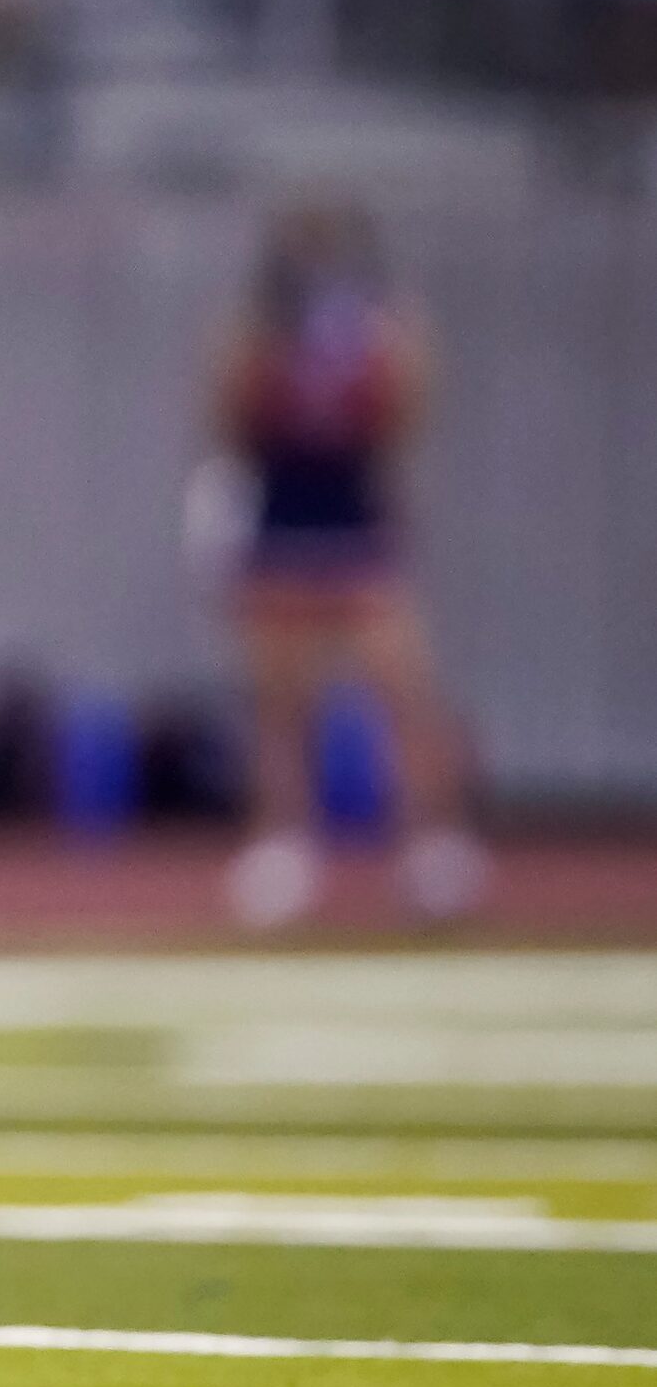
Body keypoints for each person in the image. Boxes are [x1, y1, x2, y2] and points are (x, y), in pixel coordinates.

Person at [216, 201, 485, 928]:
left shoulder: (387, 331)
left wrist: (383, 353)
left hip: (356, 526)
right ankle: (282, 850)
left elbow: (404, 417)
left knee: (402, 694)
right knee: (281, 704)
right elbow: (230, 418)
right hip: (283, 525)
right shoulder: (257, 331)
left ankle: (432, 849)